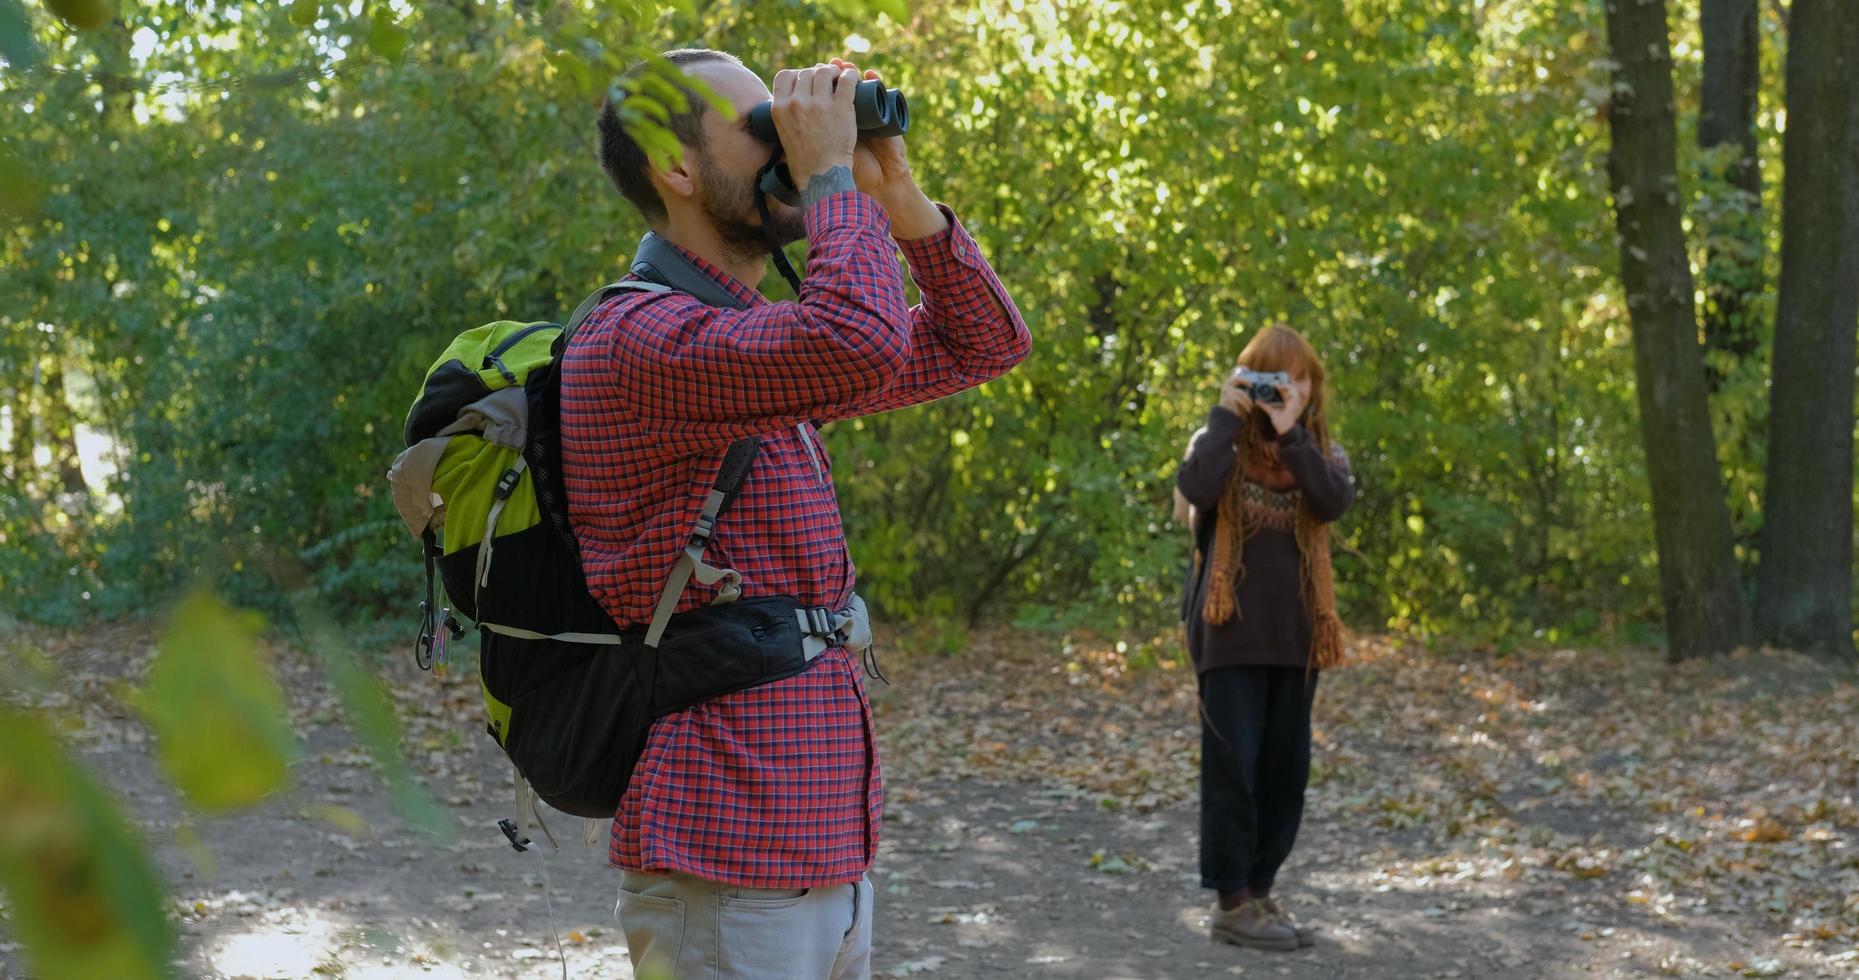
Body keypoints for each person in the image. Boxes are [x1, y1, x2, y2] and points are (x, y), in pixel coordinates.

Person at [563, 49, 1029, 978]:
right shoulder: (642, 339)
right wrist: (823, 178)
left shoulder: (749, 344)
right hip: (725, 853)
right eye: (764, 127)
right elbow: (853, 338)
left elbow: (983, 341)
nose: (796, 136)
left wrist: (890, 189)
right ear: (678, 168)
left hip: (817, 851)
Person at [1174, 324, 1354, 952]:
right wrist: (1228, 415)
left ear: (1313, 386)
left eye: (1299, 378)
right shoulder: (1217, 444)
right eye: (1273, 378)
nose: (1288, 389)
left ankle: (1259, 889)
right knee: (1233, 772)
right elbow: (1194, 489)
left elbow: (1332, 503)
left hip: (1298, 641)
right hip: (1227, 636)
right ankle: (1231, 904)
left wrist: (1290, 433)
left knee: (1285, 775)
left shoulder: (1322, 452)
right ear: (1247, 381)